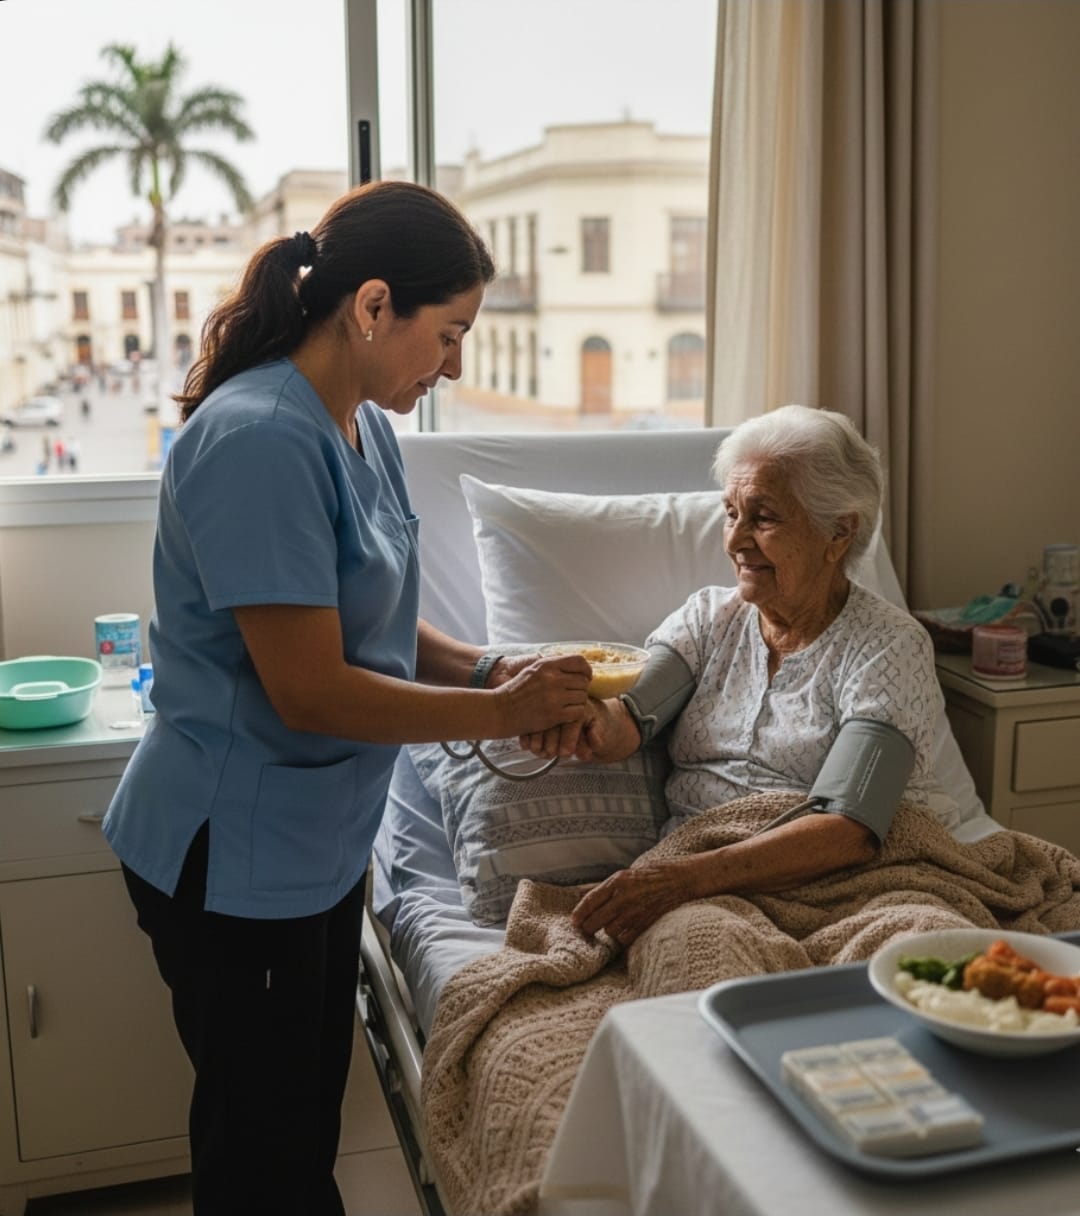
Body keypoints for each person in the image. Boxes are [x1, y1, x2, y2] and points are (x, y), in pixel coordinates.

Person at [102, 180, 591, 1216]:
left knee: (291, 1125)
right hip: (230, 860)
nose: (455, 363)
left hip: (313, 846)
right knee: (267, 1159)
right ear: (373, 307)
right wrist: (502, 714)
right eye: (449, 333)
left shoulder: (358, 426)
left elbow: (374, 618)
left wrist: (491, 670)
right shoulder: (260, 440)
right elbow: (311, 688)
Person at [524, 404, 949, 949]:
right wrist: (579, 717)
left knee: (920, 949)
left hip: (851, 884)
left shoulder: (887, 645)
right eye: (730, 513)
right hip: (704, 889)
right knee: (697, 949)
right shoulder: (708, 621)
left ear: (839, 532)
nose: (736, 540)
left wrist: (680, 879)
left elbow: (850, 829)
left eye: (763, 517)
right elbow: (627, 720)